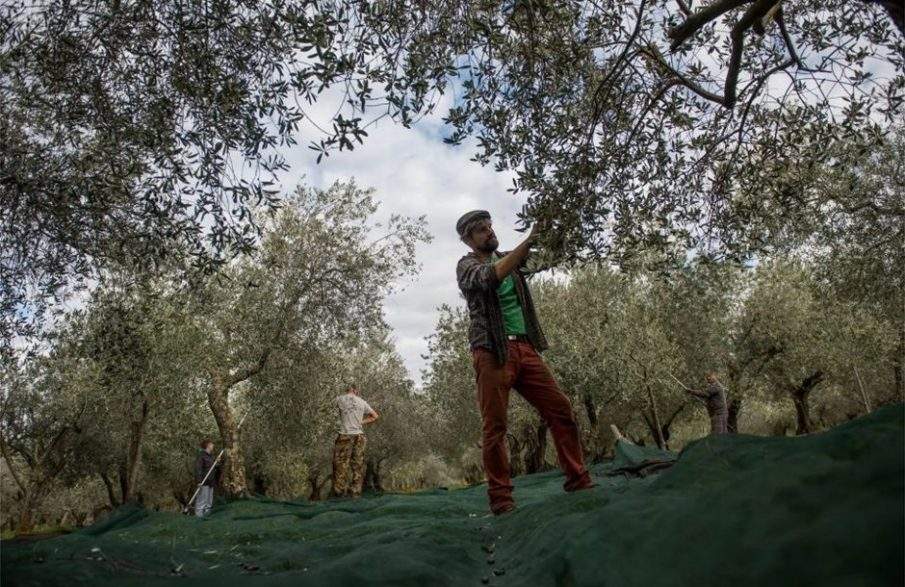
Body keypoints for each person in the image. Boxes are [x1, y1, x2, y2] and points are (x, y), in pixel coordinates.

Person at [455, 210, 593, 515]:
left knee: (561, 410)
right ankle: (501, 500)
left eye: (490, 226)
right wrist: (528, 241)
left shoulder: (511, 258)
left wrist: (560, 223)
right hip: (492, 351)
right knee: (495, 427)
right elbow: (490, 278)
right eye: (481, 230)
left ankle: (578, 480)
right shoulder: (467, 266)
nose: (490, 232)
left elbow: (550, 257)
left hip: (525, 349)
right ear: (468, 239)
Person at [331, 384, 379, 498]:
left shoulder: (339, 399)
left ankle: (339, 494)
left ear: (347, 389)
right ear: (355, 390)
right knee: (357, 466)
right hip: (359, 436)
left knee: (340, 465)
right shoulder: (362, 402)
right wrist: (361, 422)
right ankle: (355, 494)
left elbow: (326, 409)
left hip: (344, 435)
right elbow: (375, 416)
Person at [194, 439, 219, 517]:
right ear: (208, 445)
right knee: (202, 501)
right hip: (203, 482)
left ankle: (207, 517)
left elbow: (212, 467)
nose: (213, 445)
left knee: (209, 501)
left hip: (211, 481)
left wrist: (216, 463)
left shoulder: (211, 456)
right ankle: (198, 517)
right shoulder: (201, 456)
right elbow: (198, 469)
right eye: (212, 444)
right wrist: (199, 481)